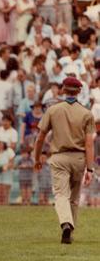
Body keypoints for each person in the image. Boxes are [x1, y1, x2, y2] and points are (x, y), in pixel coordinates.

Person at [34, 76, 95, 244]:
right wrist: (90, 169)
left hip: (59, 157)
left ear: (62, 90)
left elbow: (40, 138)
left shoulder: (53, 110)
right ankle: (70, 229)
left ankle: (66, 223)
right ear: (80, 91)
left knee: (61, 194)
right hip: (79, 158)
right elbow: (89, 144)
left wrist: (37, 158)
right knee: (74, 198)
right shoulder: (86, 113)